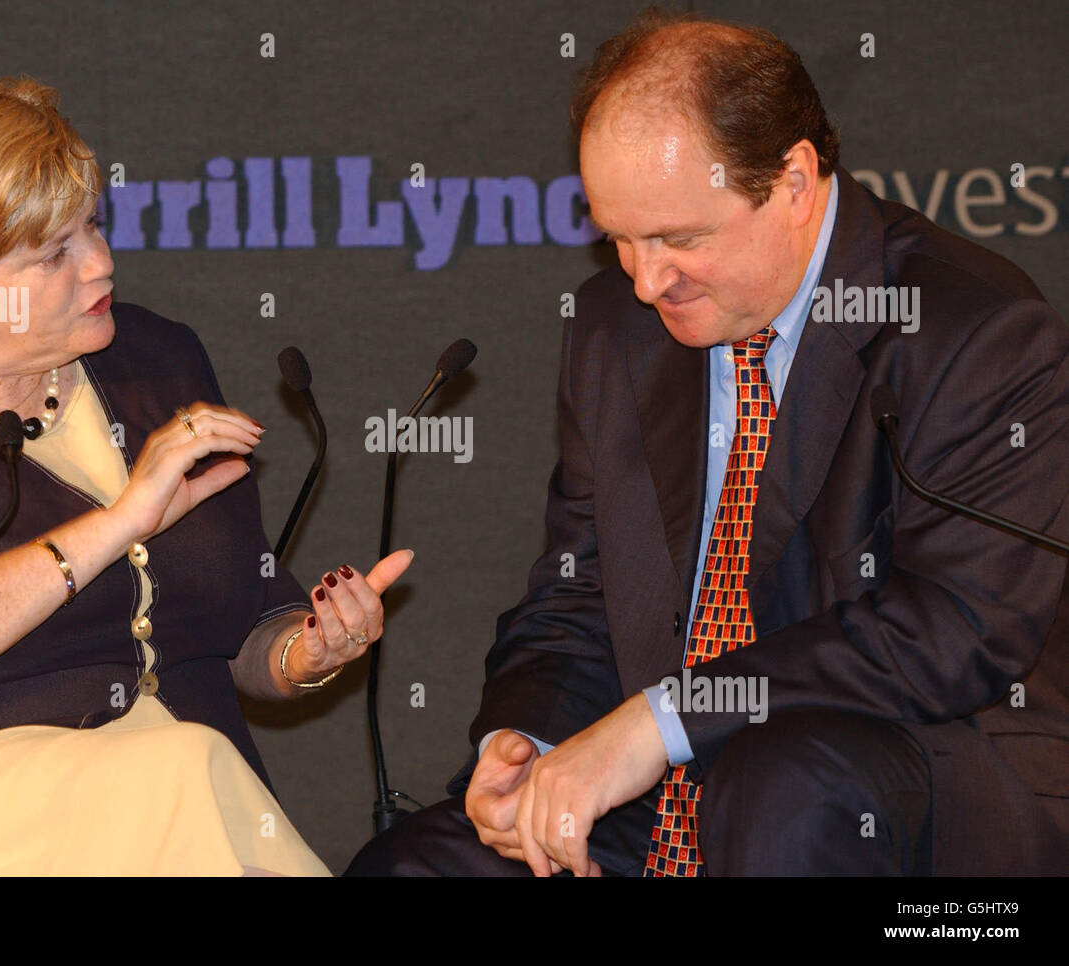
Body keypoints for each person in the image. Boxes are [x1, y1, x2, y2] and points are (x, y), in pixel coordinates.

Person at [347, 7, 1069, 876]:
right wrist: (525, 736)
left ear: (795, 181)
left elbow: (952, 630)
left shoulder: (971, 329)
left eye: (679, 239)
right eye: (619, 239)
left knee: (781, 790)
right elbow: (578, 595)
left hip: (902, 775)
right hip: (667, 785)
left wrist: (659, 722)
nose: (647, 280)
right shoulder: (617, 330)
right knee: (420, 864)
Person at [0, 75, 412, 876]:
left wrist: (302, 652)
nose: (102, 264)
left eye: (94, 226)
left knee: (185, 766)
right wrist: (121, 520)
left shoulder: (158, 359)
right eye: (54, 254)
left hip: (178, 784)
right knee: (178, 772)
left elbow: (238, 619)